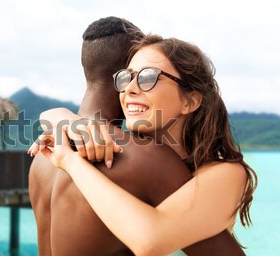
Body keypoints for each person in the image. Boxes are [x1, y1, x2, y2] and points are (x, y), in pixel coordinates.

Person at [28, 17, 248, 256]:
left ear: (190, 100)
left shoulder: (221, 173)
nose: (130, 88)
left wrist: (70, 159)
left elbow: (149, 240)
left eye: (147, 77)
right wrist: (63, 119)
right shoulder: (141, 158)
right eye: (126, 77)